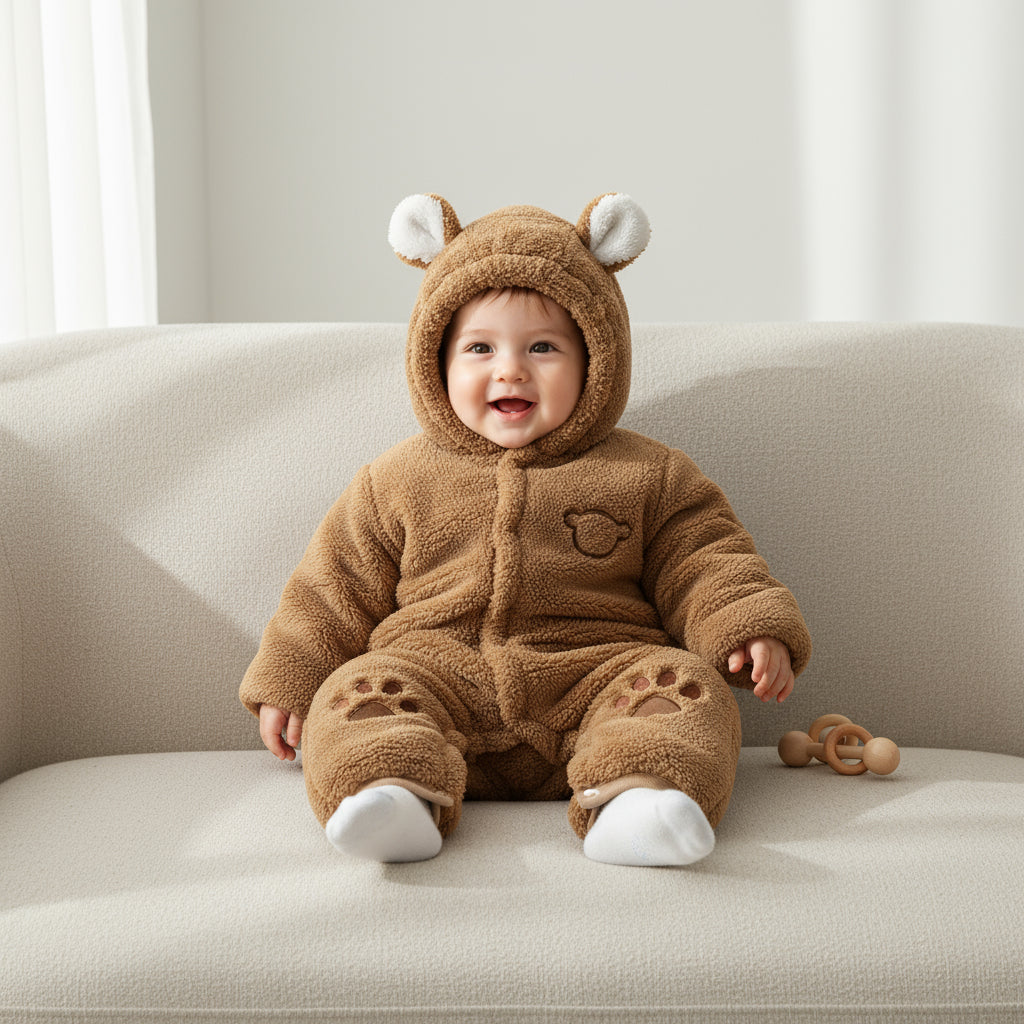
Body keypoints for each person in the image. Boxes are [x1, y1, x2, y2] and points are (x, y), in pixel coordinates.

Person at [240, 194, 811, 867]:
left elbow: (707, 558)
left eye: (542, 347)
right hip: (437, 680)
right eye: (480, 348)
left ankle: (642, 800)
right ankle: (390, 794)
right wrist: (289, 679)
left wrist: (746, 624)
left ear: (595, 360)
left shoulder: (649, 474)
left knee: (685, 687)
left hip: (596, 679)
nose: (509, 369)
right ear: (437, 363)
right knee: (356, 692)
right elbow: (331, 587)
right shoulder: (394, 480)